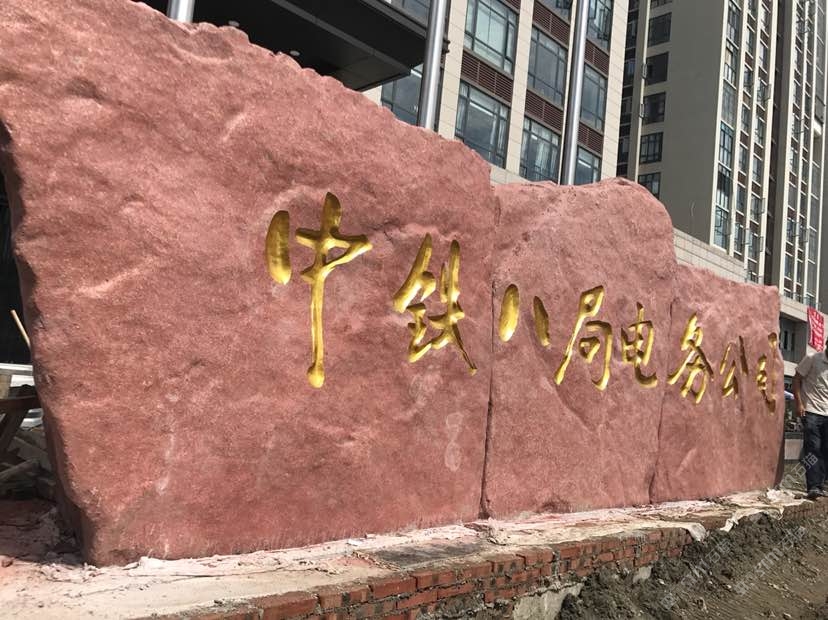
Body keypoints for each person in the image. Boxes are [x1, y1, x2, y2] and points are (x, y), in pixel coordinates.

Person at [792, 338, 828, 499]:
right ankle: (813, 486)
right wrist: (799, 404)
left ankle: (823, 484)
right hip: (812, 411)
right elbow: (796, 379)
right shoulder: (812, 359)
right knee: (813, 449)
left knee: (825, 450)